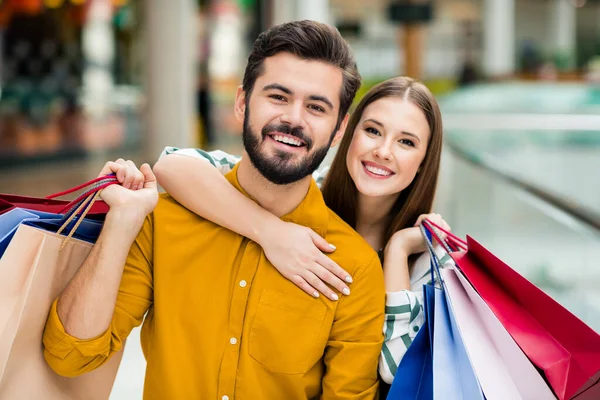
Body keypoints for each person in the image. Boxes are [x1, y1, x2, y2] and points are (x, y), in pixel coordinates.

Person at [42, 20, 386, 399]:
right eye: (278, 96)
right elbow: (70, 356)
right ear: (242, 103)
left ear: (339, 130)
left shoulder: (354, 268)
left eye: (316, 107)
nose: (294, 119)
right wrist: (121, 221)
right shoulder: (163, 221)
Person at [154, 75, 449, 390]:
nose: (383, 151)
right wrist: (272, 232)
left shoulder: (429, 258)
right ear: (347, 133)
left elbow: (400, 370)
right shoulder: (299, 190)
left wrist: (398, 252)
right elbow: (172, 164)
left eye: (406, 142)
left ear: (422, 162)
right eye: (373, 131)